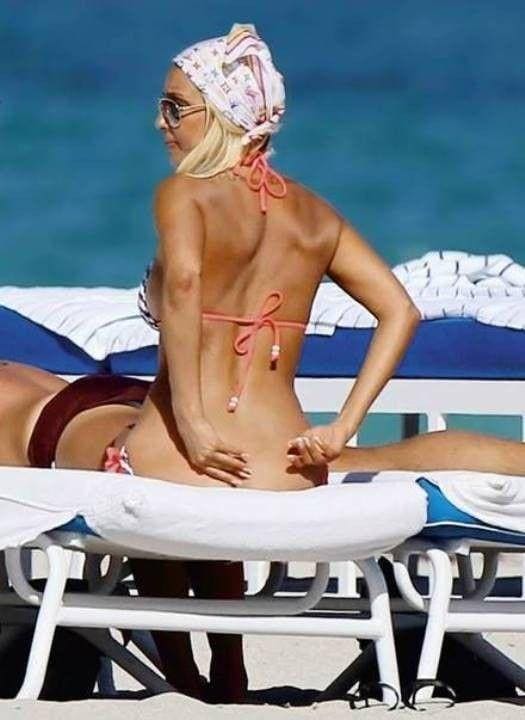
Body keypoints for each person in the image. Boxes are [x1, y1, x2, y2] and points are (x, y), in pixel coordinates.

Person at [3, 20, 525, 702]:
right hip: (284, 474)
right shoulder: (314, 216)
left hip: (175, 464)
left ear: (224, 114)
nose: (161, 124)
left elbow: (183, 285)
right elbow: (400, 310)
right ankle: (227, 666)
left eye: (175, 108)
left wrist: (193, 424)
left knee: (64, 424)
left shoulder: (184, 194)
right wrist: (341, 427)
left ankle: (182, 674)